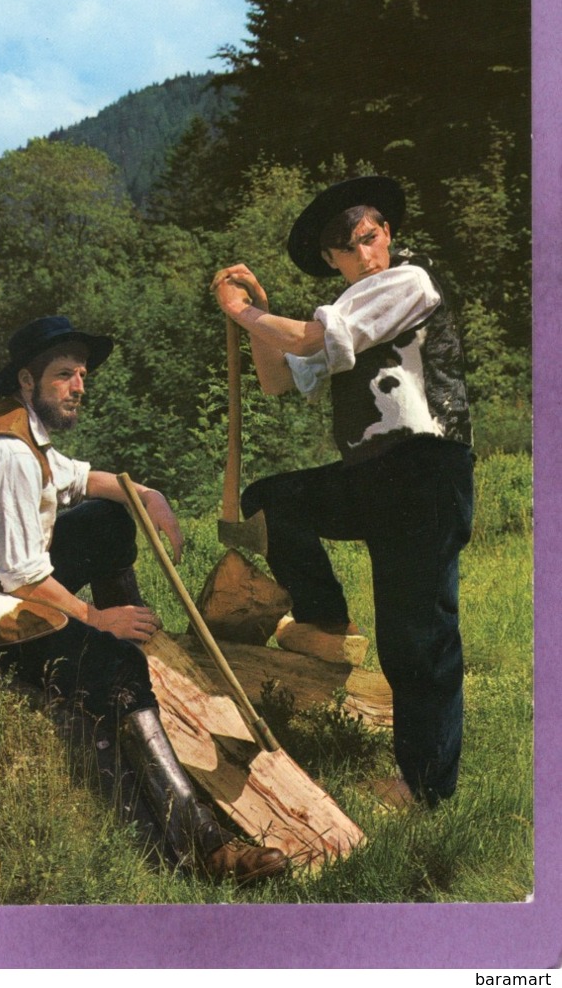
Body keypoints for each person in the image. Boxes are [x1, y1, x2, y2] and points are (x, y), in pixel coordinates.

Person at [0, 314, 287, 883]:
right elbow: (24, 579)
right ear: (27, 382)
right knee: (112, 664)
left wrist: (148, 495)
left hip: (4, 583)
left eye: (81, 374)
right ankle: (204, 845)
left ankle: (137, 633)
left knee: (106, 517)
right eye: (63, 376)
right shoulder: (4, 451)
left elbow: (84, 479)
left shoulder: (29, 433)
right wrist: (95, 620)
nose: (79, 386)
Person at [211, 177, 474, 809]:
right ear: (332, 260)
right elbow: (279, 379)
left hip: (427, 470)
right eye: (348, 249)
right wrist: (253, 316)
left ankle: (425, 788)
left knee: (417, 633)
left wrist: (242, 311)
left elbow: (305, 339)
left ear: (389, 236)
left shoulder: (408, 283)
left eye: (371, 238)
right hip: (377, 478)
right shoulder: (350, 312)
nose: (365, 256)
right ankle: (326, 620)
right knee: (272, 499)